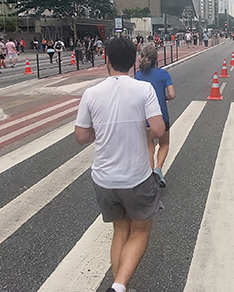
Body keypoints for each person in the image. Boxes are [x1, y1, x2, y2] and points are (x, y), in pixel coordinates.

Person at [74, 37, 165, 292]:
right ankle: (120, 285)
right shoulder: (143, 89)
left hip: (103, 179)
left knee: (119, 229)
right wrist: (142, 130)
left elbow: (81, 137)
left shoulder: (91, 94)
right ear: (133, 61)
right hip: (136, 177)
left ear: (106, 59)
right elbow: (158, 129)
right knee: (141, 229)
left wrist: (100, 131)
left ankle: (118, 286)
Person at [135, 44, 175, 188]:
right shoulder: (164, 74)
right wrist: (164, 98)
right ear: (156, 58)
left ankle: (150, 174)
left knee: (149, 147)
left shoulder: (138, 75)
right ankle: (158, 169)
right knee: (164, 143)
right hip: (161, 116)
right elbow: (172, 94)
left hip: (144, 118)